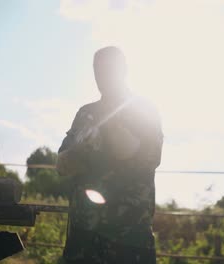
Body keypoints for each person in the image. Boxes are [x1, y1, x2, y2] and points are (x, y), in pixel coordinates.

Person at [57, 46, 163, 264]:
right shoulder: (86, 113)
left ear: (124, 70)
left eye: (109, 68)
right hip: (82, 238)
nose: (102, 75)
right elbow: (62, 164)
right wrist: (79, 152)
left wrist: (111, 127)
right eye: (97, 70)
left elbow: (149, 158)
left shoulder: (143, 109)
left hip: (127, 239)